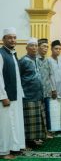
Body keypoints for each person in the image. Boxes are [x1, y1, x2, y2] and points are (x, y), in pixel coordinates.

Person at [0, 27, 25, 159]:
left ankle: (15, 147)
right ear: (3, 39)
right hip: (6, 97)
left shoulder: (13, 54)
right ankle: (4, 151)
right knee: (5, 125)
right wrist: (3, 96)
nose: (13, 40)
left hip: (15, 96)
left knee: (15, 123)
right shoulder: (1, 54)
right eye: (9, 37)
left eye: (14, 37)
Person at [19, 38, 47, 147]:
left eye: (35, 46)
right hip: (28, 95)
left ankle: (35, 138)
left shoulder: (36, 59)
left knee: (37, 118)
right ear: (26, 48)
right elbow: (19, 78)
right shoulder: (23, 61)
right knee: (29, 120)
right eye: (31, 46)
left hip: (38, 94)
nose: (34, 48)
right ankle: (29, 141)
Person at [37, 38, 54, 138]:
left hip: (47, 91)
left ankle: (47, 131)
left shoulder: (48, 61)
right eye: (44, 46)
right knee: (39, 112)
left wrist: (53, 89)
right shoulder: (34, 60)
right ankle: (40, 133)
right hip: (38, 92)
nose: (45, 48)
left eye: (47, 47)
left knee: (47, 111)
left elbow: (51, 75)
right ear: (38, 47)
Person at [48, 40, 61, 132]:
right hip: (53, 90)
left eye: (59, 49)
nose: (58, 50)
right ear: (51, 49)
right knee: (54, 109)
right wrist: (53, 89)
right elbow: (49, 76)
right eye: (56, 48)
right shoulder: (49, 60)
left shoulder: (60, 60)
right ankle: (54, 129)